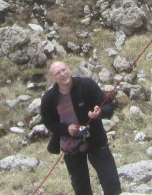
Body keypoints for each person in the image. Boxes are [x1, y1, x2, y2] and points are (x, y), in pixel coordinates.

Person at [40, 61, 122, 195]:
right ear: (53, 78)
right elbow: (48, 122)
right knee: (81, 189)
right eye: (57, 73)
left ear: (69, 69)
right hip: (70, 146)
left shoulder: (87, 85)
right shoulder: (49, 99)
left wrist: (99, 112)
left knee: (111, 182)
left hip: (96, 140)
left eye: (64, 70)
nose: (62, 74)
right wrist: (66, 129)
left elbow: (108, 106)